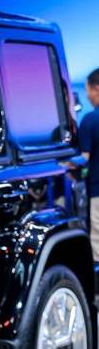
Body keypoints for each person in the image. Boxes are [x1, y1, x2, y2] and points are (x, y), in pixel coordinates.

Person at [78, 68, 99, 261]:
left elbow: (84, 157)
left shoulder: (90, 120)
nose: (87, 96)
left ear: (96, 89)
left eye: (88, 90)